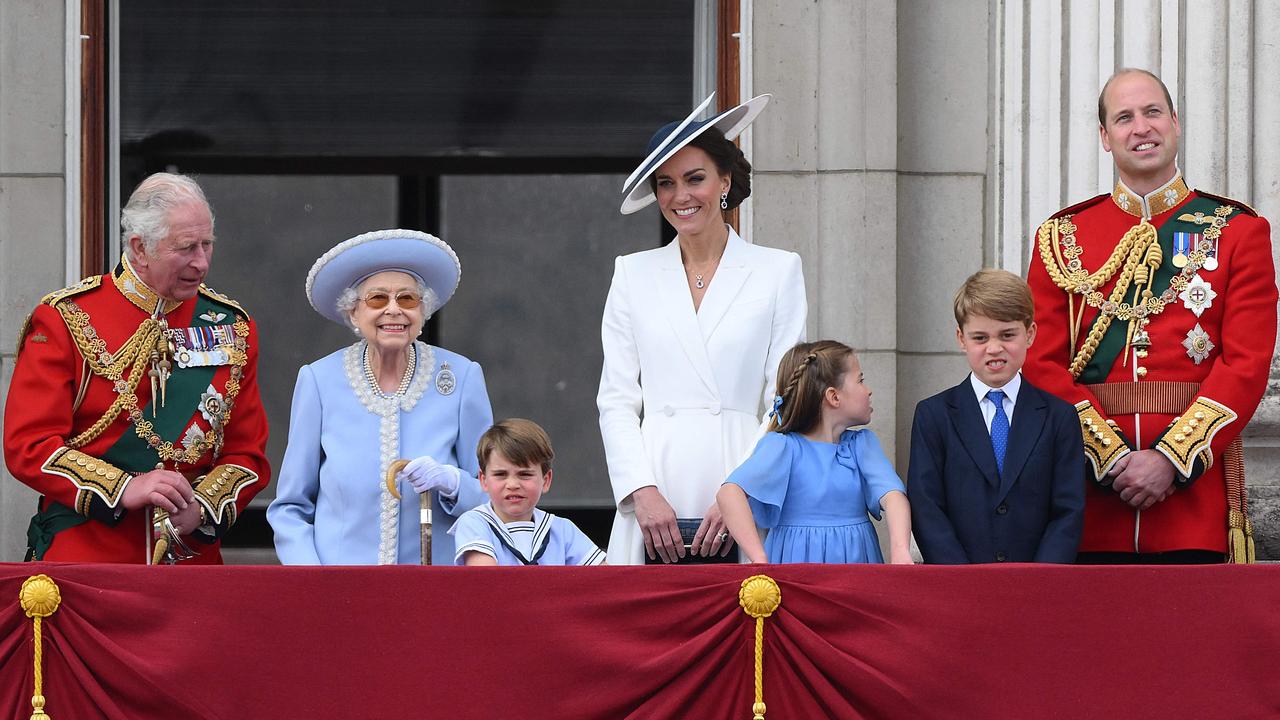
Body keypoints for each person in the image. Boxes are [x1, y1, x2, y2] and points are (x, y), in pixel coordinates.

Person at [1023, 68, 1278, 563]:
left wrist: (1171, 460)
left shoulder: (1238, 231)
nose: (1141, 128)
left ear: (1175, 123)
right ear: (1105, 137)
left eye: (1152, 112)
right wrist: (1111, 457)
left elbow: (1245, 366)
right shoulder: (1061, 237)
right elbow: (1040, 362)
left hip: (1192, 506)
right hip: (1090, 504)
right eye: (1124, 118)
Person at [3, 172, 270, 563]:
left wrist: (202, 508)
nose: (201, 262)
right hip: (88, 559)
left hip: (190, 561)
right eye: (186, 247)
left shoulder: (231, 326)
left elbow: (247, 454)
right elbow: (29, 445)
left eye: (207, 244)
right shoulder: (66, 319)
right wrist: (123, 487)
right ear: (139, 248)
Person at [599, 92, 807, 565]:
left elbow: (785, 396)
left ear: (725, 182)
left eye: (695, 178)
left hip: (739, 469)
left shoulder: (778, 270)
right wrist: (640, 491)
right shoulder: (632, 273)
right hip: (655, 480)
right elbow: (616, 398)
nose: (681, 196)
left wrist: (742, 489)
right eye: (666, 184)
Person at [267, 229, 493, 565]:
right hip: (340, 590)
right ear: (353, 313)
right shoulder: (319, 381)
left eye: (407, 299)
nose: (394, 311)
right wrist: (311, 580)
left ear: (423, 311)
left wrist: (453, 482)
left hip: (436, 587)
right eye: (376, 299)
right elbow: (291, 507)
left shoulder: (461, 377)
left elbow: (494, 494)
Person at [907, 270, 1085, 563]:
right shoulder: (934, 415)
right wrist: (961, 578)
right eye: (980, 337)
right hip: (959, 584)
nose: (994, 348)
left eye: (1007, 335)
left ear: (1029, 334)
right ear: (961, 338)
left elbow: (1068, 508)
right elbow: (927, 505)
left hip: (1037, 584)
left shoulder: (1059, 417)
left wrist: (1042, 577)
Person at [716, 341, 912, 564]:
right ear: (834, 397)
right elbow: (729, 493)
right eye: (861, 380)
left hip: (856, 569)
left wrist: (900, 551)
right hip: (795, 568)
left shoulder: (862, 445)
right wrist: (758, 558)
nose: (868, 390)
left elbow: (894, 496)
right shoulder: (782, 447)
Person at [451, 418, 606, 566]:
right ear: (483, 480)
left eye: (524, 474)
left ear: (546, 480)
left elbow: (605, 579)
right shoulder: (474, 523)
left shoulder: (563, 529)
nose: (512, 484)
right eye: (500, 474)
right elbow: (487, 581)